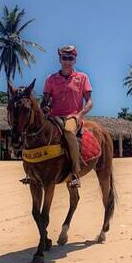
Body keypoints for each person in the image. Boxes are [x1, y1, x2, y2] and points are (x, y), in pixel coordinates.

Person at [40, 45, 93, 188]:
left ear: (75, 60)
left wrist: (79, 115)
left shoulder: (82, 78)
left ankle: (75, 173)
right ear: (59, 59)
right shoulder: (50, 79)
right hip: (54, 117)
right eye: (64, 58)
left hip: (73, 117)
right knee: (37, 131)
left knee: (69, 132)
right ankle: (31, 171)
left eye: (70, 58)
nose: (67, 61)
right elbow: (45, 101)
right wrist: (44, 107)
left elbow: (89, 102)